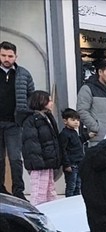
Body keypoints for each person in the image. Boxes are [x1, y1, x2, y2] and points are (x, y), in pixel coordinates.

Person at [0, 41, 35, 201]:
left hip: (15, 123)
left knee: (15, 158)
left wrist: (26, 113)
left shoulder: (24, 74)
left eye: (10, 56)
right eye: (3, 55)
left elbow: (31, 96)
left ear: (16, 56)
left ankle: (18, 191)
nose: (7, 59)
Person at [20, 90, 59, 206]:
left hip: (47, 161)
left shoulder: (47, 117)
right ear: (41, 102)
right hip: (39, 164)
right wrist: (38, 162)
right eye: (49, 100)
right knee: (39, 192)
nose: (52, 103)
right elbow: (31, 143)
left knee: (50, 190)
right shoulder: (31, 120)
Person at [58, 108, 85, 197]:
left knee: (78, 185)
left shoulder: (74, 132)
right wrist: (66, 164)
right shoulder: (64, 134)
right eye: (73, 120)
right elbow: (63, 150)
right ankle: (69, 202)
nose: (76, 122)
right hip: (71, 164)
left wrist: (87, 136)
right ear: (65, 121)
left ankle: (75, 202)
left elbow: (78, 142)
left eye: (77, 120)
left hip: (78, 163)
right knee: (71, 186)